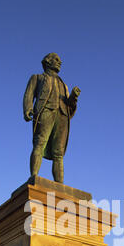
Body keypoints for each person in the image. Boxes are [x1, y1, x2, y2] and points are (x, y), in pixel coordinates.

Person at [23, 53, 81, 183]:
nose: (60, 62)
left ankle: (60, 185)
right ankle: (34, 177)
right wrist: (28, 109)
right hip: (46, 111)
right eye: (56, 60)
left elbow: (69, 104)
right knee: (40, 142)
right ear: (47, 62)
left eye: (60, 60)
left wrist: (74, 97)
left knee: (59, 152)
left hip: (62, 115)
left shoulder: (63, 84)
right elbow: (29, 94)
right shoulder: (37, 78)